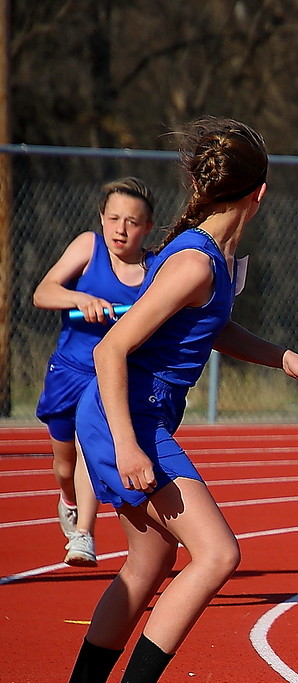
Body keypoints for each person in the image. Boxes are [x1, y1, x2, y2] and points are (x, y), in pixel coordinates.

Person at [34, 117, 298, 683]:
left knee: (149, 564)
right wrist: (130, 446)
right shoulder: (197, 258)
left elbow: (209, 328)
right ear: (258, 194)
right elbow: (112, 350)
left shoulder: (209, 258)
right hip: (127, 418)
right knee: (218, 554)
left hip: (137, 417)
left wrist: (285, 358)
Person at [33, 177, 157, 568]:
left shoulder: (154, 268)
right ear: (102, 219)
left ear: (147, 227)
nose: (121, 229)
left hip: (109, 378)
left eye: (132, 222)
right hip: (68, 370)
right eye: (115, 218)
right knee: (64, 464)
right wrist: (80, 298)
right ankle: (67, 499)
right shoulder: (89, 247)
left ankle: (84, 534)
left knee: (90, 451)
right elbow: (43, 293)